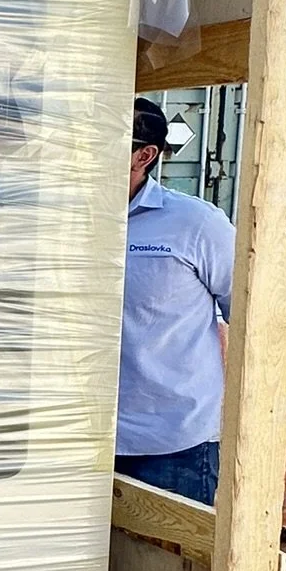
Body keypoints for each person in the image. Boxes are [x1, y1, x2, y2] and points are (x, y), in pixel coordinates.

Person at [114, 96, 235, 506]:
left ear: (143, 155)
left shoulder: (196, 225)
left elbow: (257, 319)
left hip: (173, 445)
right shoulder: (67, 220)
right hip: (83, 437)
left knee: (175, 565)